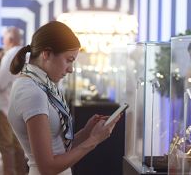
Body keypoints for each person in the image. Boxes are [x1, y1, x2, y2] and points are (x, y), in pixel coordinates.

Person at [8, 21, 121, 175]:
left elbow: (59, 148)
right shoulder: (32, 91)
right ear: (46, 54)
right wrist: (93, 140)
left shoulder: (43, 85)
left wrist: (86, 132)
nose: (71, 69)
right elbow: (47, 167)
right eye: (68, 60)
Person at [0, 27, 27, 175]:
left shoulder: (9, 56)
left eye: (4, 38)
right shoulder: (27, 54)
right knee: (19, 146)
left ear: (10, 39)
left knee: (7, 147)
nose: (3, 41)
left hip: (6, 107)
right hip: (21, 108)